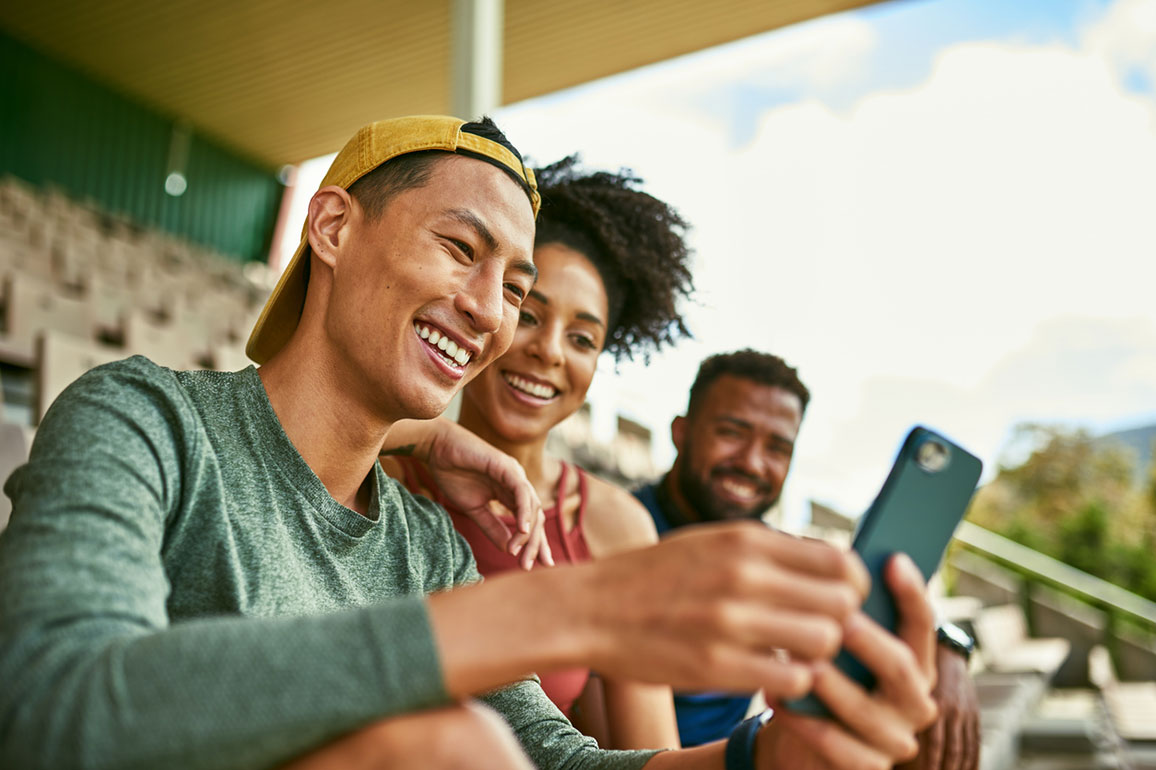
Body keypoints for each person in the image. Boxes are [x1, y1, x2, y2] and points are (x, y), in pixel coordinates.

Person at [0, 115, 937, 770]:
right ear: (331, 226)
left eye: (514, 286)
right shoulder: (142, 419)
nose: (491, 314)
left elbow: (560, 763)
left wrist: (765, 756)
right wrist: (573, 609)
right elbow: (50, 706)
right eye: (461, 249)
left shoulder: (427, 542)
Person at [383, 156, 692, 749]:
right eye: (528, 314)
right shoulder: (385, 468)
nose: (549, 351)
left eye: (582, 338)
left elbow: (650, 753)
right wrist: (429, 436)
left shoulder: (614, 529)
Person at [635, 349, 981, 770]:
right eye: (731, 432)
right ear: (681, 432)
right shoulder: (615, 533)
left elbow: (868, 604)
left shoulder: (772, 555)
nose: (752, 462)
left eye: (777, 448)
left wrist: (948, 648)